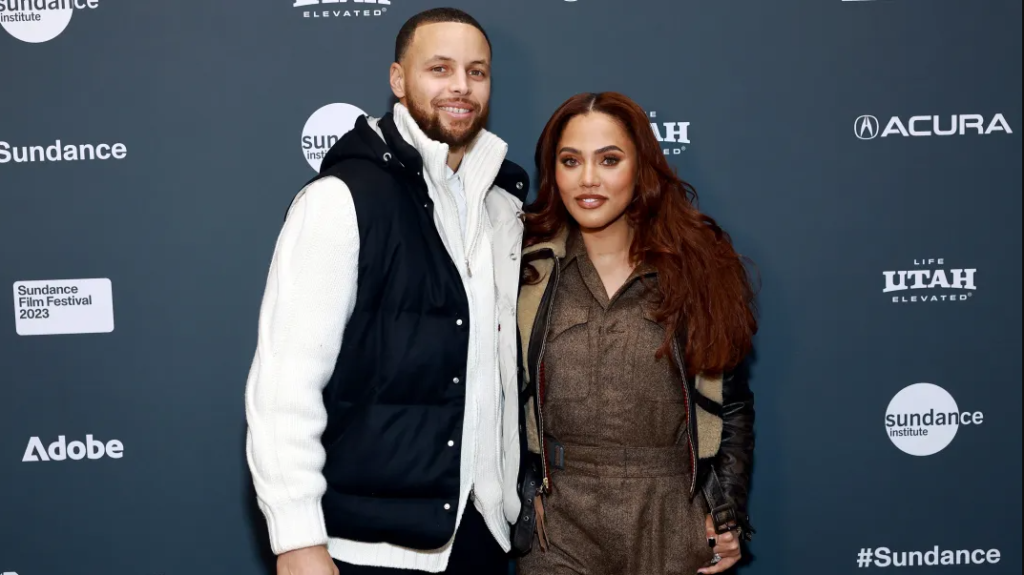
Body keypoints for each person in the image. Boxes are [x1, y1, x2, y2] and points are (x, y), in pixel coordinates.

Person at [243, 8, 531, 575]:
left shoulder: (502, 208)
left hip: (481, 538)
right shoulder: (339, 201)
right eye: (440, 68)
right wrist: (297, 541)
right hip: (365, 550)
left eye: (477, 72)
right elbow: (285, 386)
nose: (460, 86)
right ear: (399, 80)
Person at [513, 92, 758, 575]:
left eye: (609, 160)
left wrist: (726, 510)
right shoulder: (524, 270)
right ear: (553, 172)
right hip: (558, 524)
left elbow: (731, 403)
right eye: (570, 161)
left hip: (671, 515)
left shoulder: (698, 269)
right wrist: (524, 491)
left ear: (640, 167)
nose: (588, 179)